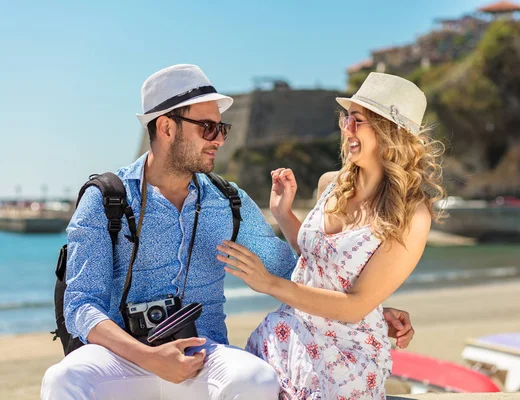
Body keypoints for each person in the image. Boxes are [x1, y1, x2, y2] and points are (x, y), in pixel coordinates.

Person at [41, 65, 415, 400]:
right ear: (167, 127)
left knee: (255, 379)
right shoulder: (106, 199)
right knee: (63, 380)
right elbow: (80, 306)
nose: (219, 139)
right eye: (208, 127)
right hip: (121, 357)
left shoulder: (229, 202)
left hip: (204, 357)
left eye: (222, 127)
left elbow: (292, 273)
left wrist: (370, 308)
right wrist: (149, 357)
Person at [217, 72, 445, 399]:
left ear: (390, 131)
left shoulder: (411, 214)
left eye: (359, 120)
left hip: (344, 351)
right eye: (346, 118)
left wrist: (269, 283)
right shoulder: (330, 184)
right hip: (286, 331)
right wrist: (283, 214)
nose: (347, 128)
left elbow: (355, 306)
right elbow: (317, 259)